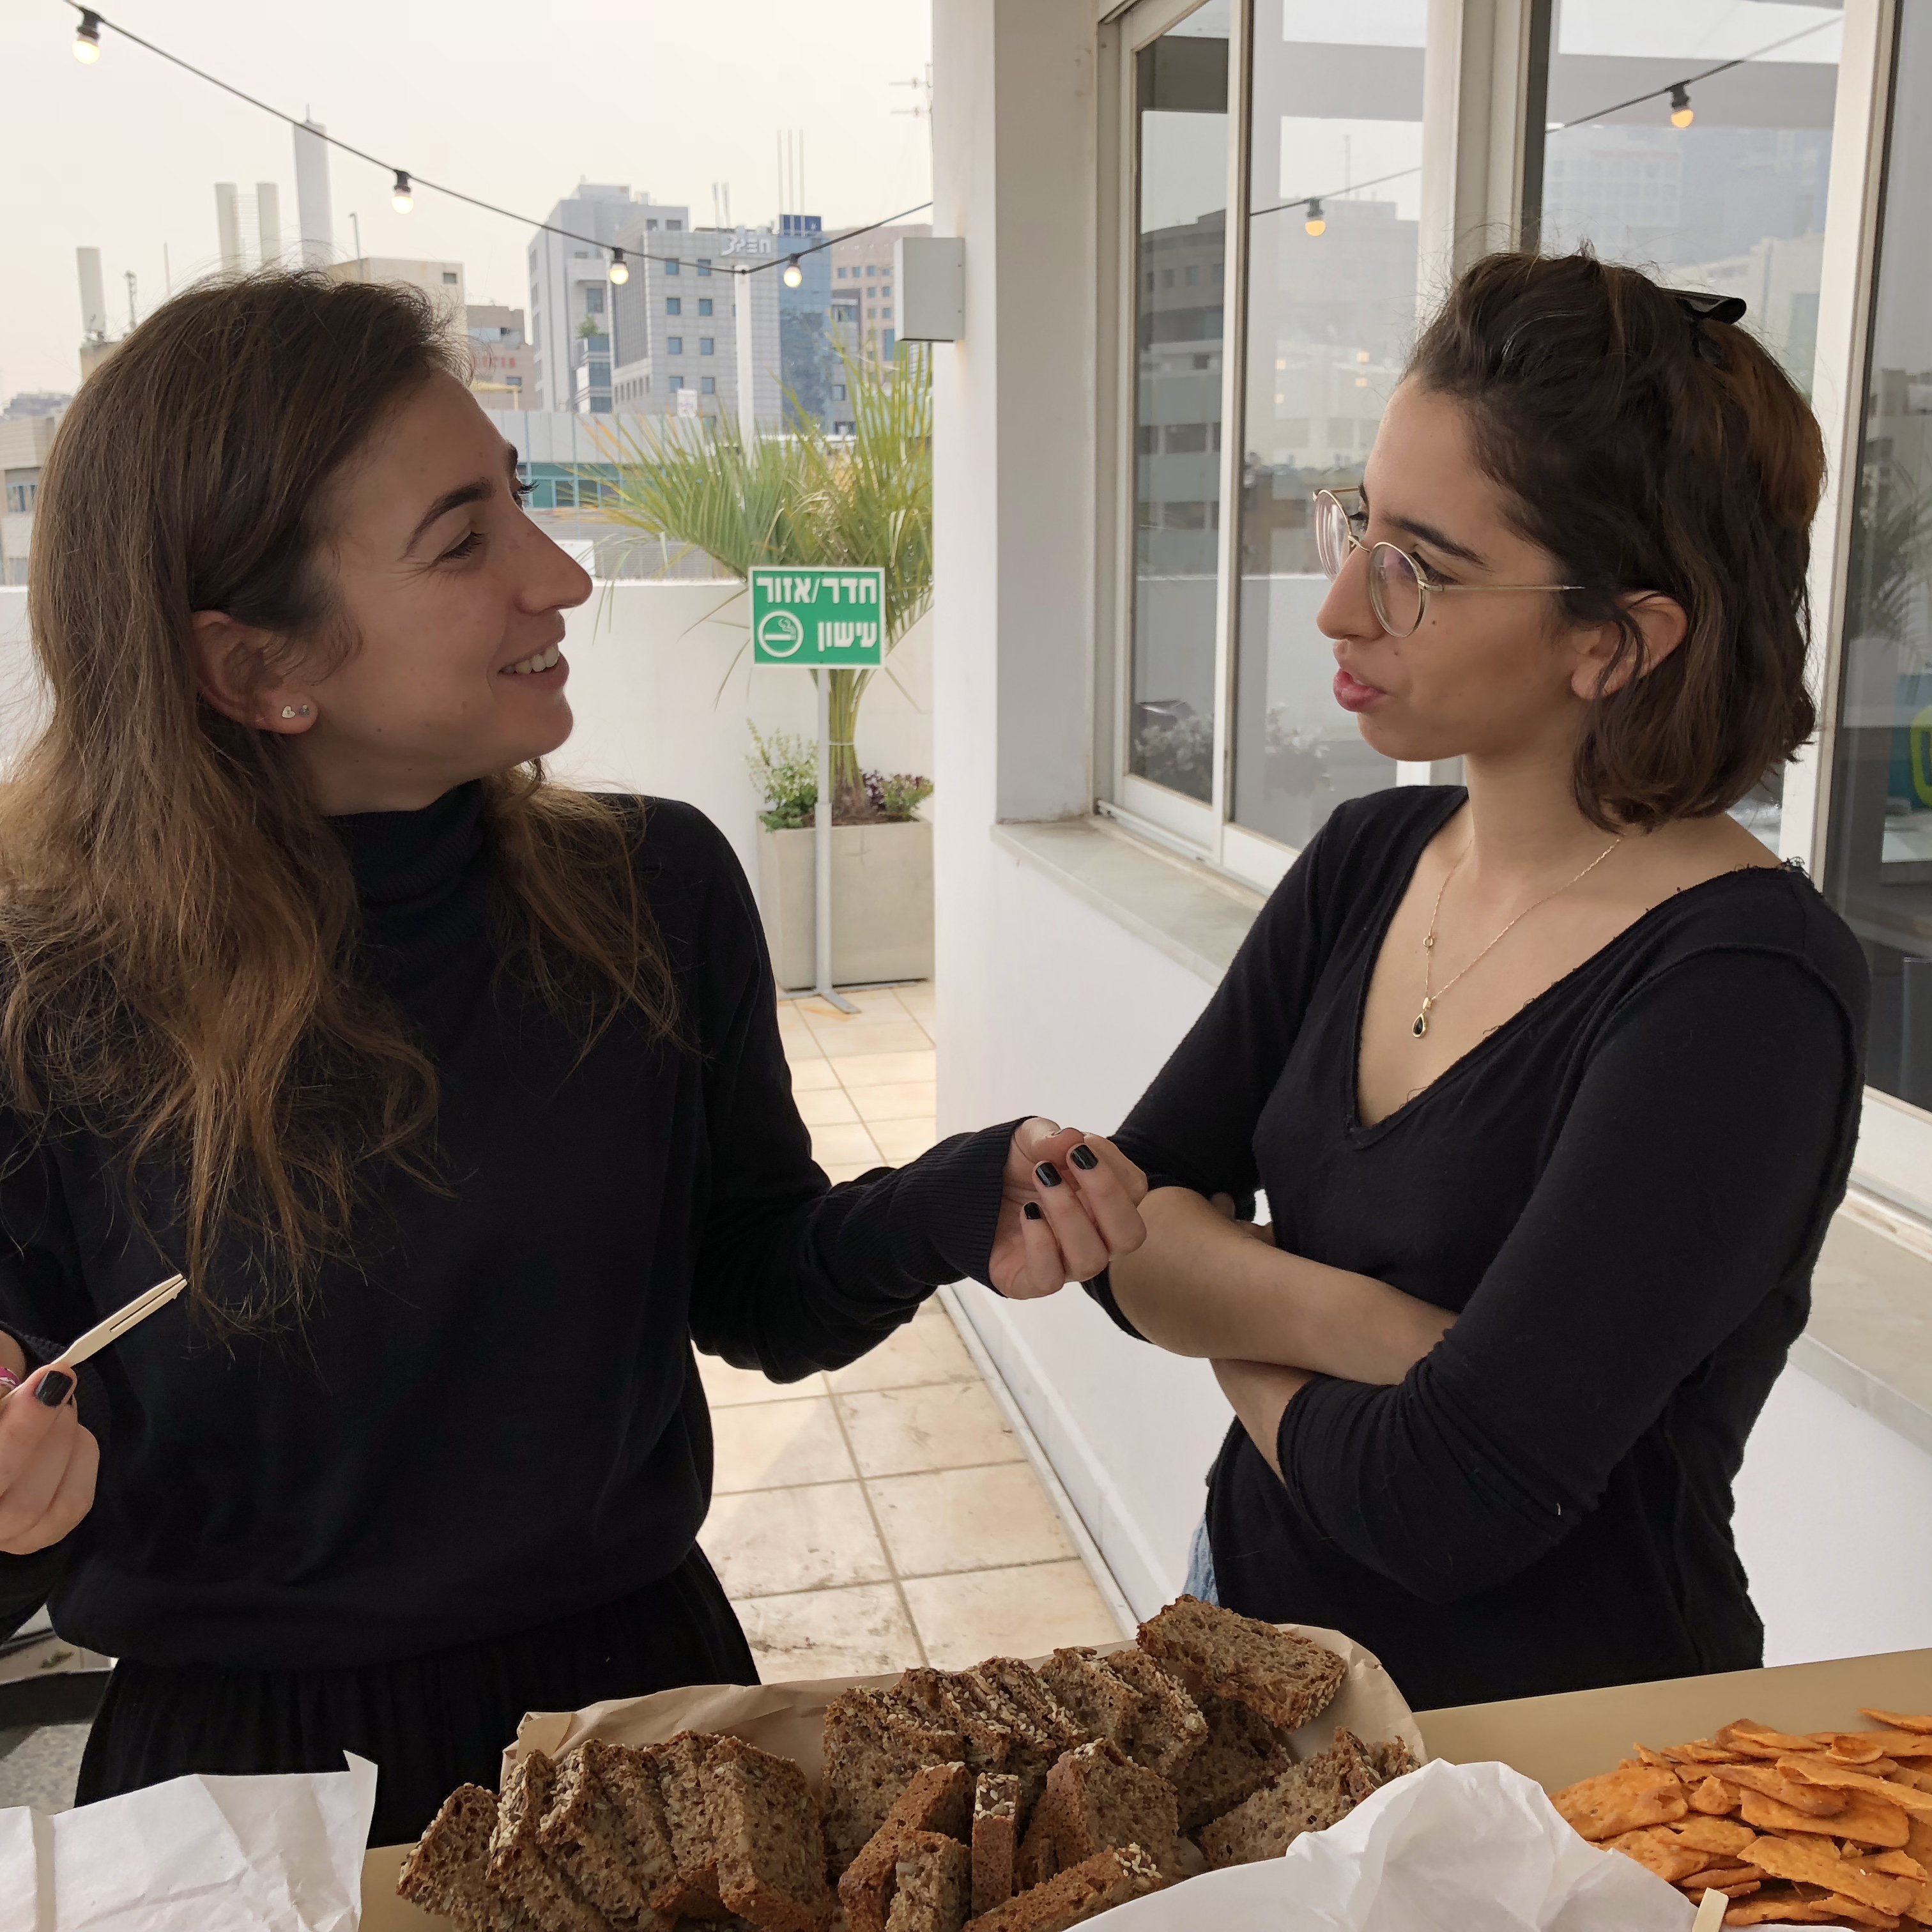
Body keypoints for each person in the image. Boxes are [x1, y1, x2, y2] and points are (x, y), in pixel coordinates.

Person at [0, 272, 1145, 1845]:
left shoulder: (654, 891)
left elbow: (747, 1283)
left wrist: (949, 1209)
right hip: (242, 1798)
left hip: (640, 1738)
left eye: (521, 503)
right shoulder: (44, 993)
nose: (562, 577)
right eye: (463, 540)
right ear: (256, 667)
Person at [1098, 252, 1867, 1713]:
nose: (1337, 608)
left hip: (1550, 1762)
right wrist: (1366, 1332)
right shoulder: (1368, 859)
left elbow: (1441, 1507)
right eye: (1357, 526)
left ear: (1614, 640)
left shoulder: (1745, 993)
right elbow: (1116, 1218)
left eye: (1418, 570)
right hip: (1246, 1646)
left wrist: (1232, 1329)